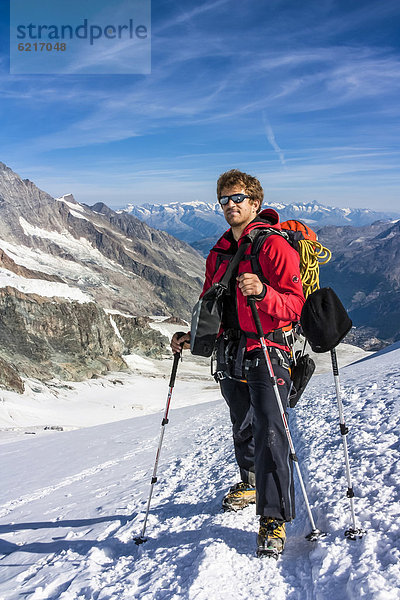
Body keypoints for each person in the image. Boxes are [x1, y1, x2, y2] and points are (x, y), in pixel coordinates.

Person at [171, 169, 305, 556]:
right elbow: (213, 303)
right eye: (225, 200)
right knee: (243, 424)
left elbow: (295, 306)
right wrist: (192, 335)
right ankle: (250, 482)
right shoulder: (219, 250)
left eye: (238, 199)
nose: (231, 205)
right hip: (231, 351)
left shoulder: (274, 247)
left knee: (271, 432)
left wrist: (263, 292)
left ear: (255, 202)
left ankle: (273, 518)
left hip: (268, 348)